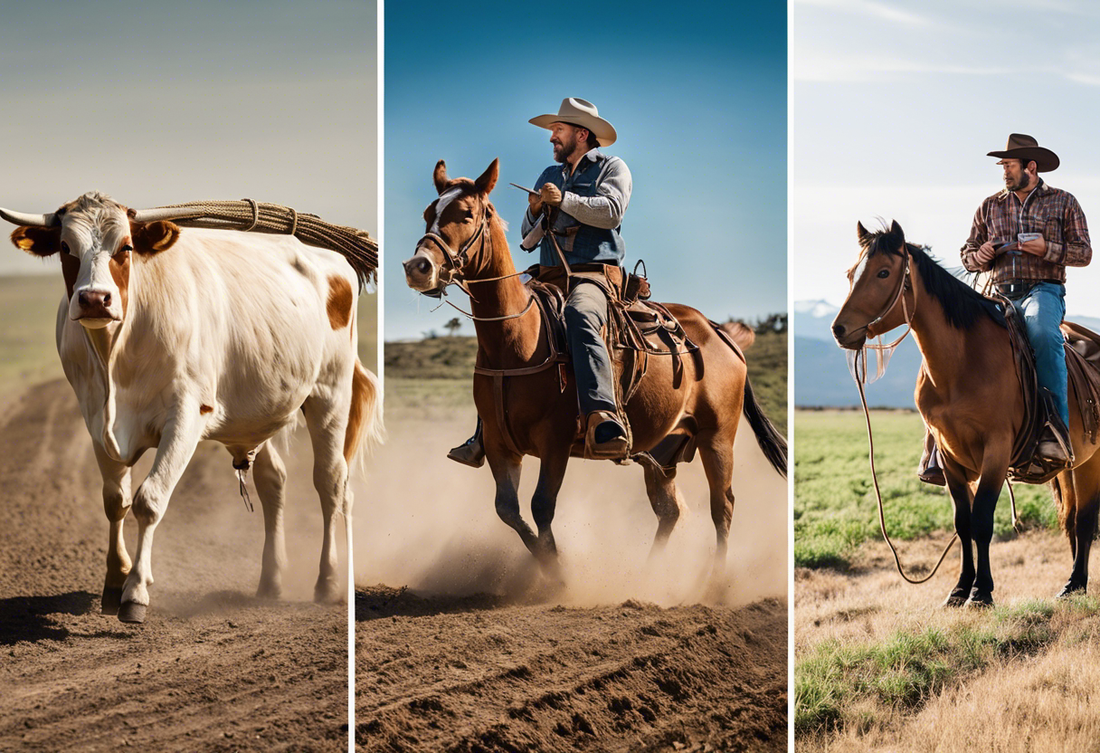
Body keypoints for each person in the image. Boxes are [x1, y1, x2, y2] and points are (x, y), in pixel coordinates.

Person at [448, 98, 633, 466]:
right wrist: (534, 211)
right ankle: (486, 429)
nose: (552, 137)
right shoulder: (548, 174)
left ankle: (603, 418)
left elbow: (612, 212)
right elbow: (528, 240)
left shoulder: (612, 168)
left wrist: (564, 200)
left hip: (592, 276)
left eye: (558, 130)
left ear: (581, 134)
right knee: (506, 323)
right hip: (547, 277)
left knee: (580, 316)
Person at [920, 133, 1091, 484]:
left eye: (1009, 166)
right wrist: (978, 257)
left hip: (1043, 291)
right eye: (1002, 166)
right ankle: (937, 447)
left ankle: (1053, 430)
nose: (1004, 173)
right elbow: (968, 254)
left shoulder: (1063, 202)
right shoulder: (989, 206)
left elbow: (1084, 253)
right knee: (950, 343)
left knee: (1043, 334)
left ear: (1031, 166)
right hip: (997, 294)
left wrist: (1047, 249)